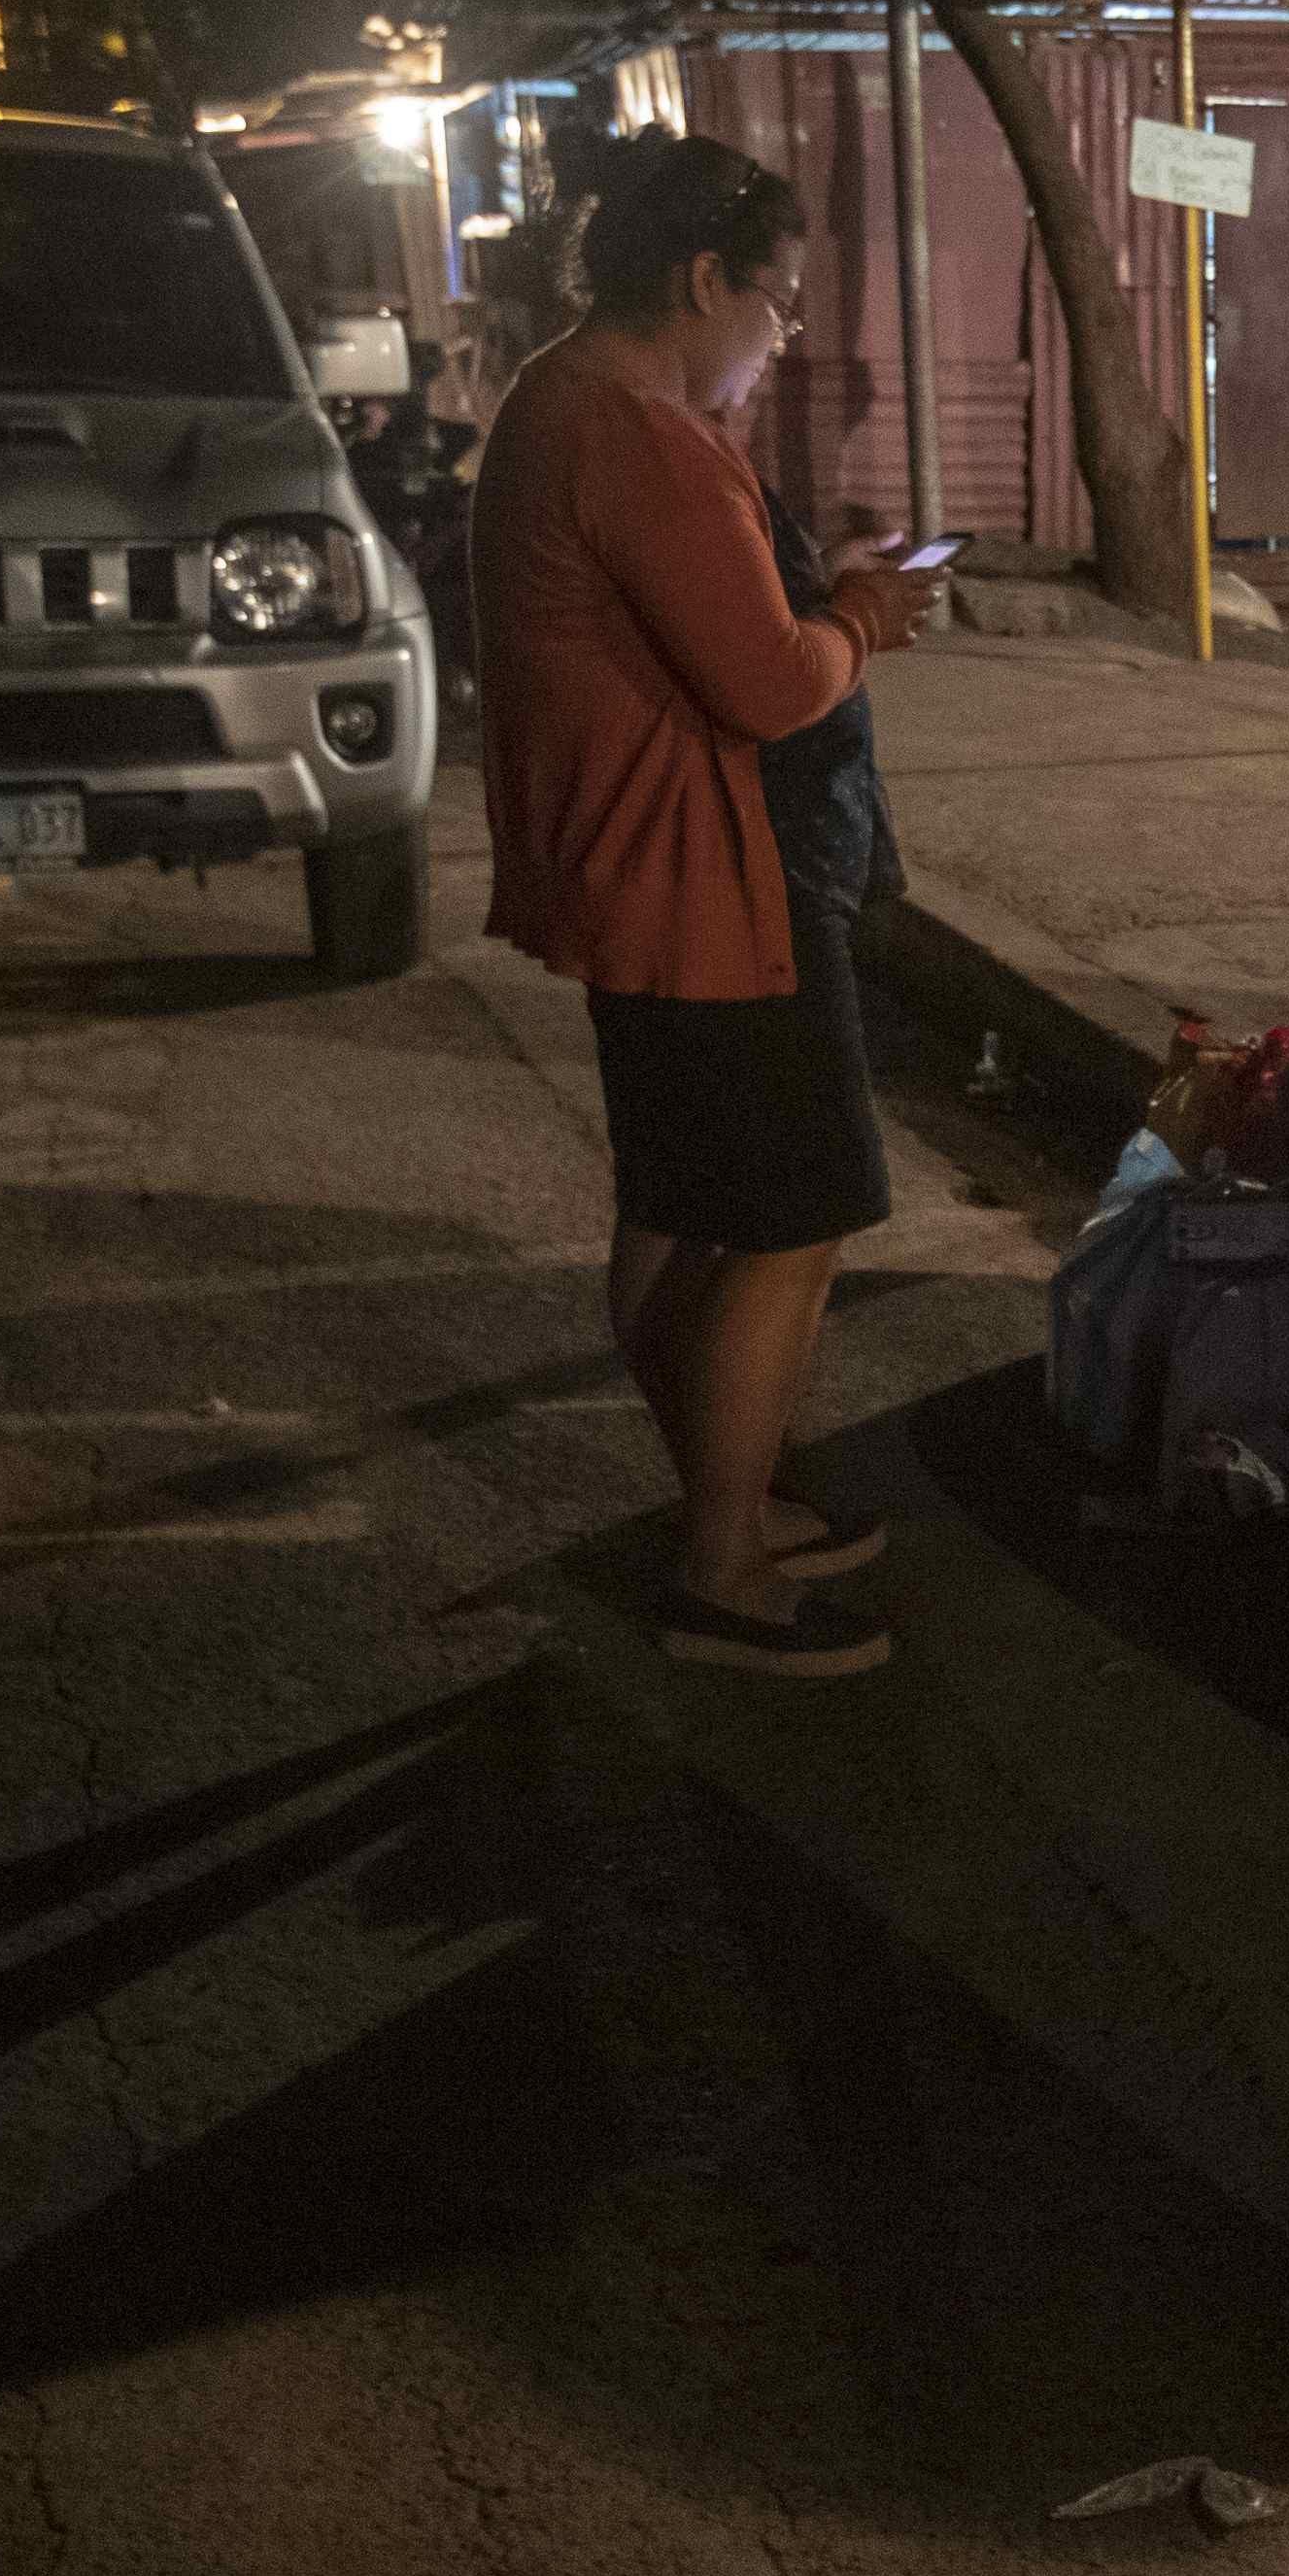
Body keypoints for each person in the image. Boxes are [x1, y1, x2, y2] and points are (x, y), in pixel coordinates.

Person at [476, 129, 943, 1674]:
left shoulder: (556, 397)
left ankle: (721, 1502)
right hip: (708, 874)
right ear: (700, 280)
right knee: (797, 1221)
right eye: (779, 299)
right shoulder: (639, 436)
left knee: (679, 1207)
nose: (784, 332)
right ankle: (725, 1567)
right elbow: (771, 683)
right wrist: (866, 614)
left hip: (634, 864)